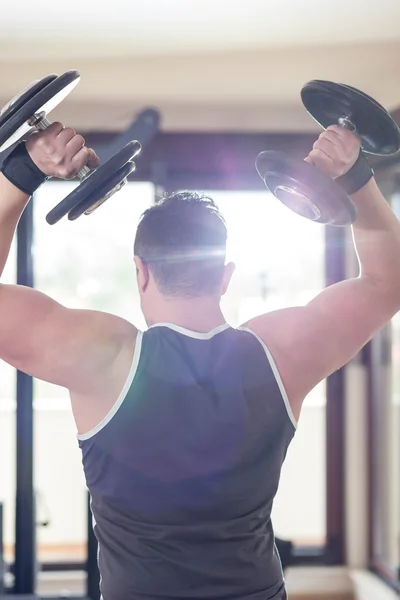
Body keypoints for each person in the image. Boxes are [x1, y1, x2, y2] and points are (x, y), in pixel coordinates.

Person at [0, 121, 400, 600]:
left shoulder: (101, 355)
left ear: (141, 271)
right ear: (224, 275)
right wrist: (356, 174)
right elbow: (385, 284)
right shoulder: (281, 352)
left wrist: (22, 172)